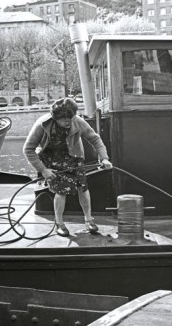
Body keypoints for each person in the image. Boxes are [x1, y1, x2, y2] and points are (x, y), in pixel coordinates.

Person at [23, 97, 112, 237]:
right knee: (61, 191)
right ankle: (60, 223)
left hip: (74, 158)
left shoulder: (77, 121)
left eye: (71, 118)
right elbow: (28, 149)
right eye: (65, 120)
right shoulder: (42, 125)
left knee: (83, 188)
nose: (69, 122)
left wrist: (104, 158)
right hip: (53, 161)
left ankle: (89, 220)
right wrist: (43, 169)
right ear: (55, 118)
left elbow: (95, 139)